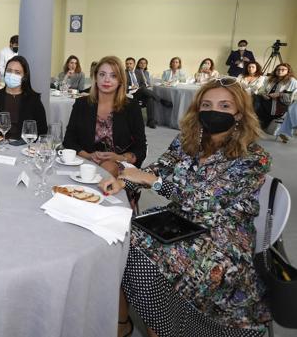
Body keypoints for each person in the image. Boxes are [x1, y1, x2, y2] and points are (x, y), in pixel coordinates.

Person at [100, 78, 271, 337]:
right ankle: (151, 324)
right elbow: (160, 169)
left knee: (138, 257)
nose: (214, 111)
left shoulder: (254, 157)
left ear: (239, 113)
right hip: (179, 221)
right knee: (118, 234)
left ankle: (162, 328)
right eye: (207, 104)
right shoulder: (188, 140)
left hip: (222, 236)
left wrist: (152, 182)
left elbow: (205, 200)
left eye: (225, 105)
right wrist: (125, 181)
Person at [63, 56, 146, 179]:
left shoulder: (131, 107)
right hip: (84, 162)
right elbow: (69, 140)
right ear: (96, 78)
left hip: (119, 165)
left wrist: (120, 158)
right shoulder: (81, 104)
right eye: (102, 74)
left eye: (113, 76)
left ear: (120, 81)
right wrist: (88, 156)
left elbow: (140, 148)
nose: (107, 80)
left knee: (108, 169)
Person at [0, 55, 48, 139]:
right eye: (9, 71)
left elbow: (42, 130)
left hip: (24, 147)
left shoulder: (33, 99)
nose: (11, 75)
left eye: (17, 72)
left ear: (24, 76)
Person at [131, 57, 173, 128]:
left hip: (144, 92)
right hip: (136, 93)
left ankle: (150, 121)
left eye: (144, 63)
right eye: (141, 63)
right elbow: (137, 84)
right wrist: (145, 86)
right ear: (138, 64)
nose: (143, 64)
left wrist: (149, 85)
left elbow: (148, 83)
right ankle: (161, 100)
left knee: (150, 98)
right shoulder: (135, 72)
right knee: (143, 89)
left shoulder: (146, 72)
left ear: (146, 64)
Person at [254, 63, 297, 129]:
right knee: (254, 97)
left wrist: (279, 94)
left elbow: (294, 96)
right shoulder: (271, 79)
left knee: (257, 104)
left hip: (279, 104)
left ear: (288, 71)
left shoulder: (292, 81)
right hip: (267, 100)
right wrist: (263, 94)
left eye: (283, 69)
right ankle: (256, 121)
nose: (280, 71)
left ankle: (259, 121)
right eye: (278, 69)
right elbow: (261, 90)